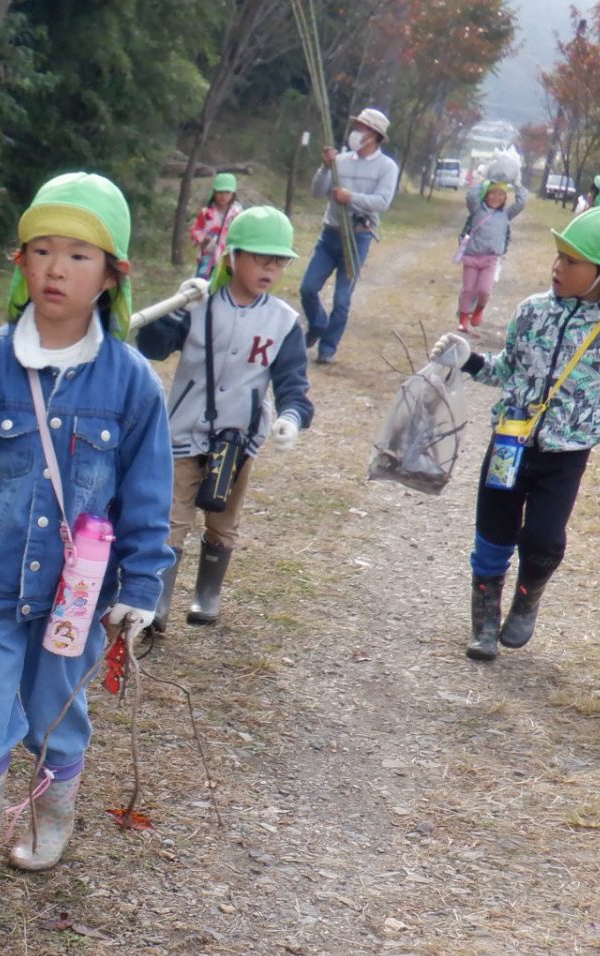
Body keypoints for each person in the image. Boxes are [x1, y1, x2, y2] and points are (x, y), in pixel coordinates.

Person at [0, 172, 173, 879]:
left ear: (113, 276)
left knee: (60, 707)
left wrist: (142, 585)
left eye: (79, 255)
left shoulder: (132, 383)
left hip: (77, 597)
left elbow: (147, 494)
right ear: (21, 263)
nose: (58, 269)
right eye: (43, 251)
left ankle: (54, 813)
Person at [426, 207, 600, 661]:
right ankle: (485, 620)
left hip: (565, 456)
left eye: (571, 261)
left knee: (543, 539)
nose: (557, 267)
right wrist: (469, 360)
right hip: (509, 443)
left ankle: (528, 596)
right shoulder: (532, 310)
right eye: (558, 256)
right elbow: (506, 370)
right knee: (493, 530)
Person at [134, 206, 314, 629]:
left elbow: (293, 384)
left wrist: (291, 417)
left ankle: (207, 594)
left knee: (223, 520)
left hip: (238, 440)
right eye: (260, 258)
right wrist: (175, 308)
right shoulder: (199, 305)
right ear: (232, 257)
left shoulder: (284, 322)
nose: (270, 269)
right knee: (171, 517)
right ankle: (158, 601)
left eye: (279, 261)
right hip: (182, 432)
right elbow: (152, 347)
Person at [299, 106, 399, 364]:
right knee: (308, 287)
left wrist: (350, 197)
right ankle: (318, 324)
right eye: (356, 127)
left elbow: (382, 201)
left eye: (362, 128)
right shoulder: (340, 161)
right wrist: (325, 168)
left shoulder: (387, 167)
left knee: (342, 299)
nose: (356, 132)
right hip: (330, 233)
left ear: (374, 135)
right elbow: (317, 191)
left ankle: (328, 348)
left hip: (358, 236)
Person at [455, 177, 529, 333]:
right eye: (492, 193)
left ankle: (479, 309)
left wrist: (517, 184)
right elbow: (471, 196)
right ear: (486, 194)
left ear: (505, 198)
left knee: (484, 290)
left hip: (491, 260)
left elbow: (521, 202)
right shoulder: (477, 210)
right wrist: (486, 179)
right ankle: (463, 320)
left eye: (501, 194)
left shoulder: (506, 214)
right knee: (468, 290)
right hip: (472, 257)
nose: (496, 197)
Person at [187, 173, 242, 280]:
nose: (223, 196)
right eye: (219, 192)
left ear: (233, 193)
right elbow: (196, 229)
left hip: (230, 257)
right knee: (203, 283)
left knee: (227, 283)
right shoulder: (206, 213)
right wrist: (203, 237)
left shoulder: (238, 214)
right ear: (214, 192)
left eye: (227, 192)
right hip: (208, 257)